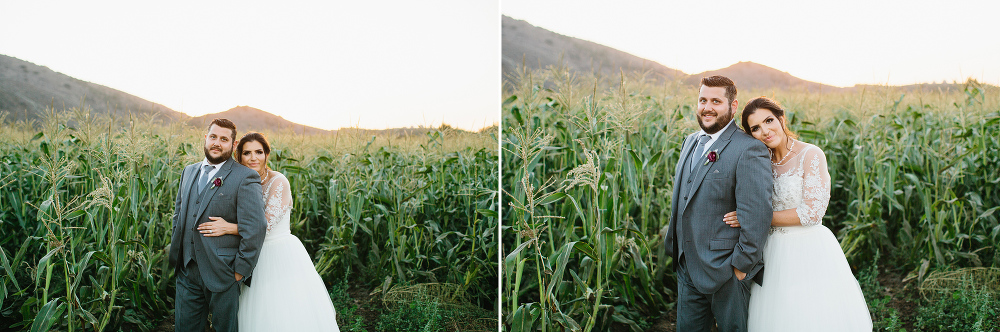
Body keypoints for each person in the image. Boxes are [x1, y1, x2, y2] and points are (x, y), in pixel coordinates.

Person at [724, 97, 872, 331]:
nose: (765, 131)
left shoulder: (810, 154)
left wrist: (752, 218)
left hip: (808, 250)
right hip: (770, 250)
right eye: (755, 128)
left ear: (781, 119)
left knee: (810, 316)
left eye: (769, 120)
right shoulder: (759, 162)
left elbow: (812, 212)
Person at [197, 132, 341, 331]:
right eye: (247, 153)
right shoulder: (238, 181)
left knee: (280, 312)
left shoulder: (278, 182)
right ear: (239, 156)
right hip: (249, 253)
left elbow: (264, 225)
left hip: (277, 254)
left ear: (267, 155)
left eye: (259, 152)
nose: (253, 157)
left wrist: (228, 227)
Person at [662, 75, 774, 331]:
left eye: (716, 101)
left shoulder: (748, 148)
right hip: (687, 265)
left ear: (733, 106)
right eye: (703, 100)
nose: (707, 107)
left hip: (727, 270)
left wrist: (740, 267)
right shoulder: (690, 141)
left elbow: (757, 213)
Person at [169, 119, 267, 332]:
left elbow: (256, 228)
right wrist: (179, 258)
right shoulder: (189, 171)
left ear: (233, 144)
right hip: (187, 271)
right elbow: (179, 215)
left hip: (223, 272)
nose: (217, 143)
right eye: (213, 137)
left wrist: (239, 272)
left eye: (224, 139)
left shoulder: (245, 177)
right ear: (206, 139)